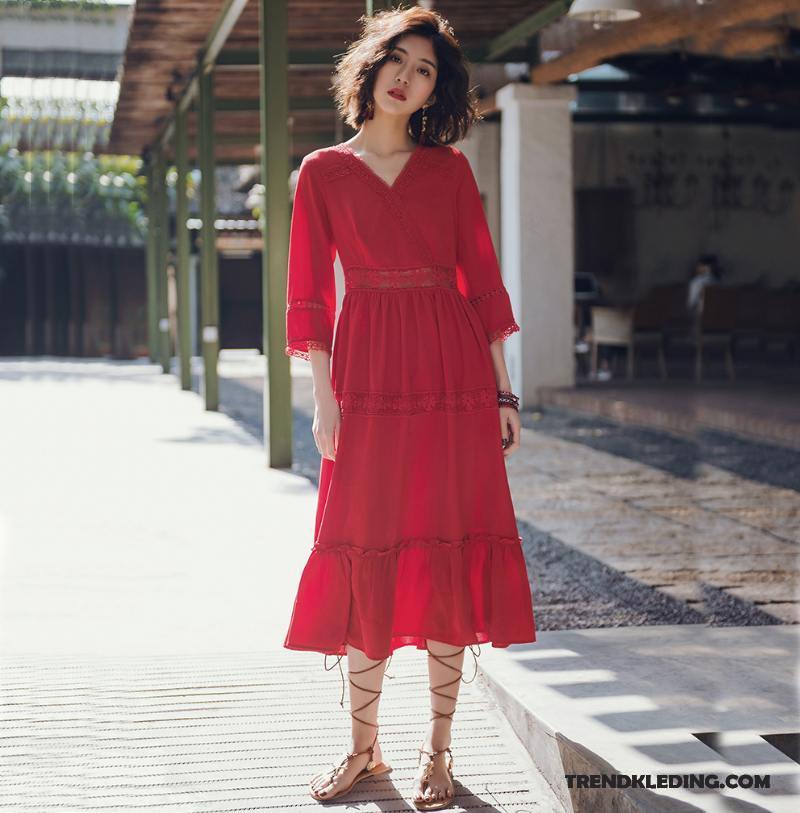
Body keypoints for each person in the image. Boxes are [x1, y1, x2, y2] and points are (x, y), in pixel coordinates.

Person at [282, 7, 537, 809]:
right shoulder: (322, 171)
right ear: (371, 66)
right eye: (397, 60)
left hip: (454, 377)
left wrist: (502, 390)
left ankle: (439, 754)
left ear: (437, 88)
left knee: (447, 550)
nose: (407, 77)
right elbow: (310, 298)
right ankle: (365, 752)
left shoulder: (450, 170)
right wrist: (324, 401)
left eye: (425, 70)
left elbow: (482, 282)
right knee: (363, 547)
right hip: (366, 378)